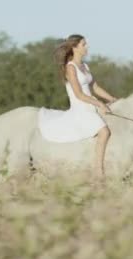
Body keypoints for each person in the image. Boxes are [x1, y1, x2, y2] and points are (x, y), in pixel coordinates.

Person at [38, 34, 118, 179]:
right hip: (80, 107)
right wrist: (100, 103)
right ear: (75, 48)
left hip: (90, 104)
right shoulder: (71, 68)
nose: (87, 47)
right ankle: (98, 171)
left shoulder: (85, 66)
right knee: (104, 132)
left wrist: (112, 98)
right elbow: (79, 94)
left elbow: (96, 87)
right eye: (84, 44)